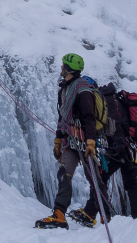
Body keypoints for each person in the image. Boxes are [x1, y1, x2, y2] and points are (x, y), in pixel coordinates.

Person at [35, 53, 109, 230]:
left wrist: (91, 142)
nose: (61, 68)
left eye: (63, 66)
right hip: (71, 141)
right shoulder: (65, 89)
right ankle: (59, 215)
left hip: (84, 141)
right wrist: (58, 140)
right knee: (64, 174)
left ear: (68, 69)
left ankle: (108, 218)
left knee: (94, 180)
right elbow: (63, 117)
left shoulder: (83, 90)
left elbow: (89, 117)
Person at [70, 83, 137, 227]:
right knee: (131, 185)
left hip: (121, 148)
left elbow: (115, 124)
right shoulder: (115, 99)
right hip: (131, 148)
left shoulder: (107, 100)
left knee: (100, 179)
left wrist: (119, 147)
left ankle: (91, 214)